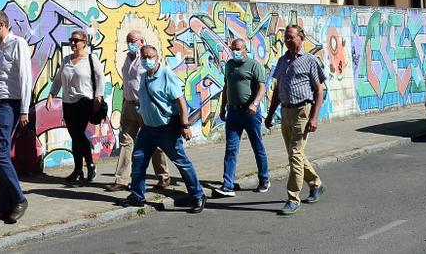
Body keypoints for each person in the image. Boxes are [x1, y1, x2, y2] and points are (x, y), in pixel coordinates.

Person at [120, 45, 206, 214]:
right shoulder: (144, 76)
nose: (147, 60)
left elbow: (180, 102)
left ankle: (197, 195)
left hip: (166, 128)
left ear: (157, 57)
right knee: (139, 160)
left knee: (181, 162)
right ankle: (137, 195)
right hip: (148, 129)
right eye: (144, 57)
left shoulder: (166, 74)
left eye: (150, 57)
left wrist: (185, 125)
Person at [265, 24, 327, 216]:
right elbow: (277, 89)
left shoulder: (310, 60)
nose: (288, 40)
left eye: (291, 37)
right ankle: (316, 184)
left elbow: (319, 91)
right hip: (285, 112)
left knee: (294, 153)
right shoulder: (282, 61)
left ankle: (293, 198)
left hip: (303, 110)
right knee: (296, 154)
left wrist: (314, 117)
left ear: (301, 38)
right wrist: (270, 114)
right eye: (286, 37)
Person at [0, 9, 33, 224]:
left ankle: (19, 199)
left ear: (1, 25)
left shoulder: (17, 43)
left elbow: (25, 77)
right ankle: (4, 207)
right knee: (1, 153)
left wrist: (24, 110)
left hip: (10, 105)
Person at [105, 30, 170, 192]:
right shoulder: (128, 59)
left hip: (144, 106)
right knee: (126, 141)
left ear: (142, 41)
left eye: (133, 41)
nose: (130, 44)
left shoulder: (147, 60)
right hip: (128, 104)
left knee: (153, 141)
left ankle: (163, 176)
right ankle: (121, 180)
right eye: (128, 41)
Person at [212, 37, 270, 198]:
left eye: (238, 49)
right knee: (231, 148)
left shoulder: (254, 65)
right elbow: (226, 86)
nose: (235, 52)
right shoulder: (230, 65)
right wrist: (223, 107)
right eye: (233, 49)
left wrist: (255, 104)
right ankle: (228, 185)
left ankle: (264, 178)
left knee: (257, 145)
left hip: (250, 112)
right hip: (233, 112)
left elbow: (262, 87)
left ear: (245, 50)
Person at [46, 29, 105, 185]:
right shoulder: (66, 60)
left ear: (84, 43)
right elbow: (58, 79)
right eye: (71, 40)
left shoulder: (91, 59)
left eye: (76, 40)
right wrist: (51, 95)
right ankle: (81, 168)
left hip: (84, 101)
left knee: (78, 134)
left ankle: (86, 166)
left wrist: (98, 97)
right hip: (68, 103)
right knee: (75, 136)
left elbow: (100, 78)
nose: (73, 43)